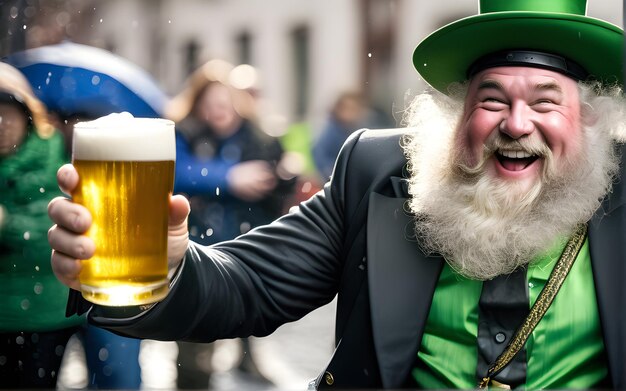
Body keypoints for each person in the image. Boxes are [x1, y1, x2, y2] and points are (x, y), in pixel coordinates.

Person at [47, 0, 626, 389]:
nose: (516, 124)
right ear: (459, 116)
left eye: (546, 102)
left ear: (590, 120)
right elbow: (252, 284)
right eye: (493, 99)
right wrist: (170, 267)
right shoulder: (376, 170)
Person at [166, 59, 296, 388]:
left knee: (248, 311)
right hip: (196, 247)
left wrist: (282, 177)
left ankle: (246, 359)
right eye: (209, 104)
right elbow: (178, 170)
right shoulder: (190, 135)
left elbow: (274, 176)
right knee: (195, 332)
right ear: (198, 105)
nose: (218, 110)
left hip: (246, 242)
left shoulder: (256, 135)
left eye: (224, 103)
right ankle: (193, 376)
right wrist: (228, 178)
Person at [0, 62, 84, 388]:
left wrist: (7, 223)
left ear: (29, 115)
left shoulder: (56, 159)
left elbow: (53, 232)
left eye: (10, 111)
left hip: (44, 315)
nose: (1, 123)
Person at [312, 90, 392, 180]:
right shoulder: (332, 130)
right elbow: (320, 155)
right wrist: (333, 174)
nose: (350, 113)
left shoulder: (362, 128)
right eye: (346, 108)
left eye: (354, 109)